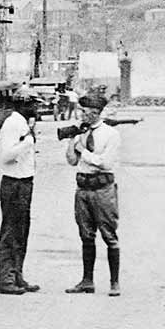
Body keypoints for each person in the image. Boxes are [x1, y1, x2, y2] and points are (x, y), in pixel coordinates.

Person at [63, 92, 123, 295]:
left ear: (97, 113)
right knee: (86, 235)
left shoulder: (110, 134)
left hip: (102, 190)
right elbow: (72, 161)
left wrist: (84, 151)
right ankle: (87, 280)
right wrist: (73, 143)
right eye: (82, 112)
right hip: (83, 189)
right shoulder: (81, 133)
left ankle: (114, 283)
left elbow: (105, 163)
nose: (83, 116)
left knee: (109, 236)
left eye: (87, 112)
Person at [0, 91, 41, 295]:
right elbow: (5, 156)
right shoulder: (13, 124)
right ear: (23, 104)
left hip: (24, 182)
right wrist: (27, 142)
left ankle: (17, 274)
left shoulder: (22, 123)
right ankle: (6, 278)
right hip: (14, 183)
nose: (36, 109)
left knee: (22, 231)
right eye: (33, 105)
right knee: (11, 232)